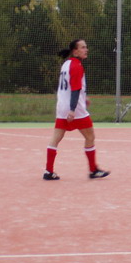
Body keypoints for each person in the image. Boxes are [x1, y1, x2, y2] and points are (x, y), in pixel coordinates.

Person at [43, 39, 110, 180]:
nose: (86, 49)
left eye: (86, 47)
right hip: (75, 110)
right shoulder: (76, 66)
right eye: (83, 47)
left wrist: (83, 97)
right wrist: (73, 109)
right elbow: (75, 89)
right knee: (90, 137)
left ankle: (48, 171)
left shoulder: (66, 64)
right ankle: (93, 170)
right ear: (75, 51)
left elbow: (71, 87)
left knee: (55, 139)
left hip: (62, 107)